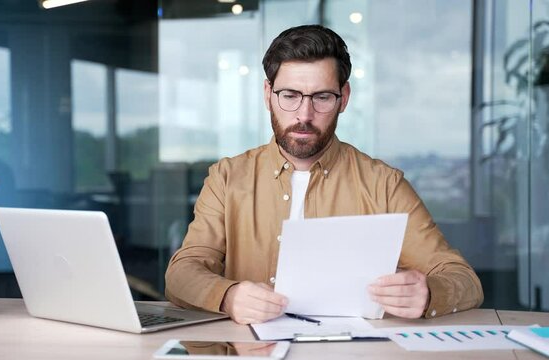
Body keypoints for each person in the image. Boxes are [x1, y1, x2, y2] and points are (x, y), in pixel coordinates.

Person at [165, 24, 483, 324]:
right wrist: (228, 297)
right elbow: (182, 273)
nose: (304, 115)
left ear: (343, 98)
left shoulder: (383, 184)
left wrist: (428, 295)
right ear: (268, 95)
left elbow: (463, 279)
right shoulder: (226, 178)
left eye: (322, 97)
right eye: (289, 96)